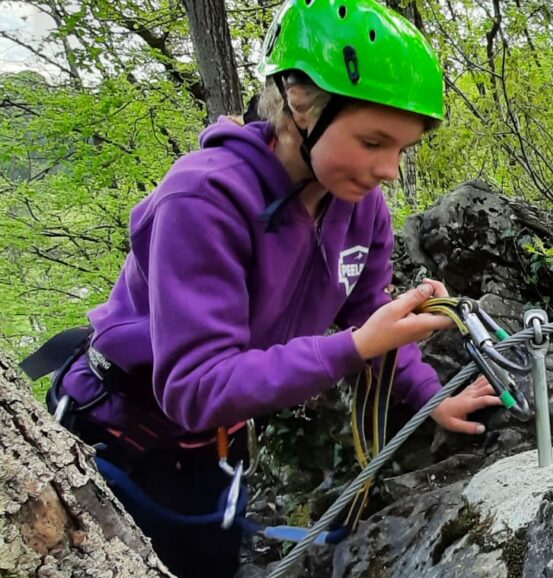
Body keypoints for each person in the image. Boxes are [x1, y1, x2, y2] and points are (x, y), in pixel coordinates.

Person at [24, 0, 500, 575]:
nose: (389, 170)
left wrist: (430, 396)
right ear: (301, 103)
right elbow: (194, 385)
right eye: (374, 142)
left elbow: (369, 310)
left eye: (402, 149)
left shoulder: (360, 205)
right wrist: (353, 348)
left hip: (214, 443)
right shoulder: (204, 200)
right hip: (118, 438)